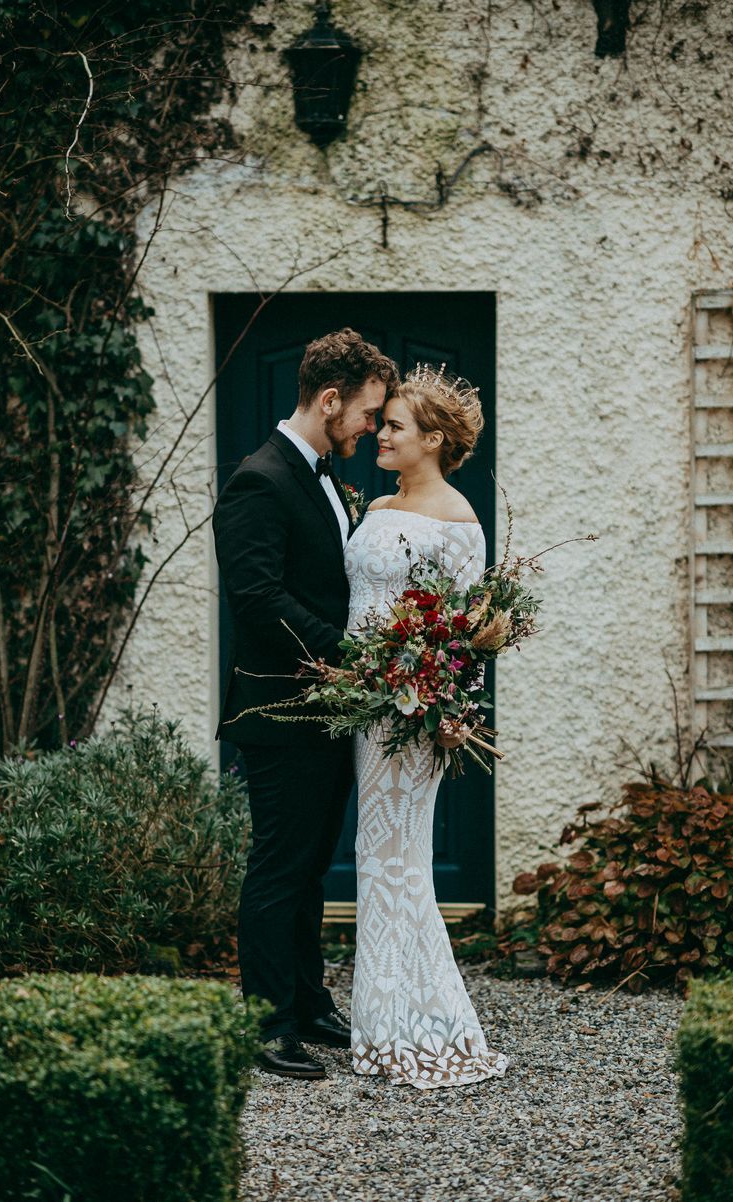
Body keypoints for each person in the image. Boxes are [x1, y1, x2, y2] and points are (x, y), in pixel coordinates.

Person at [213, 328, 399, 1080]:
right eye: (369, 413)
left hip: (325, 713)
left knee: (312, 866)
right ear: (330, 400)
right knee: (278, 869)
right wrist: (351, 657)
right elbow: (258, 599)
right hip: (280, 713)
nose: (373, 428)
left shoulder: (321, 474)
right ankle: (267, 1022)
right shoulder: (260, 478)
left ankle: (308, 1001)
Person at [344, 363, 510, 1088]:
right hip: (364, 705)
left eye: (395, 425)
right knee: (378, 853)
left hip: (414, 714)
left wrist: (449, 712)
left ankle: (415, 1027)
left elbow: (468, 631)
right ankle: (392, 1019)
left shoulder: (459, 520)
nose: (381, 433)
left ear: (434, 439)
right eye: (382, 424)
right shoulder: (378, 503)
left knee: (396, 857)